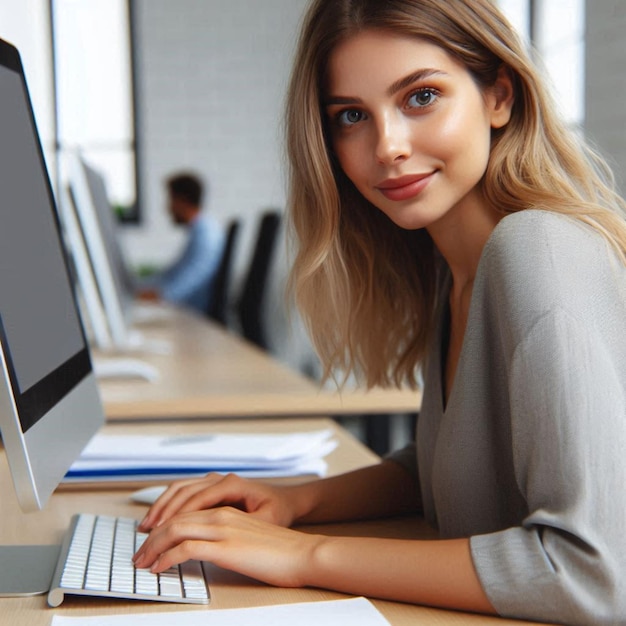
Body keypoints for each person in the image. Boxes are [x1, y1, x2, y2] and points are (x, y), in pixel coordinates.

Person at [133, 1, 626, 623]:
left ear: (499, 97)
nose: (387, 146)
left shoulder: (538, 250)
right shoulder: (452, 272)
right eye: (351, 116)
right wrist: (292, 503)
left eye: (421, 97)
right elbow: (452, 470)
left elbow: (593, 570)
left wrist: (305, 556)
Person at [136, 172, 225, 313]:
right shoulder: (200, 229)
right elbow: (172, 273)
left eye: (170, 200)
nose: (167, 208)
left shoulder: (206, 233)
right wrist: (138, 286)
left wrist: (155, 295)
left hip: (194, 317)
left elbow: (191, 279)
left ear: (182, 200)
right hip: (186, 312)